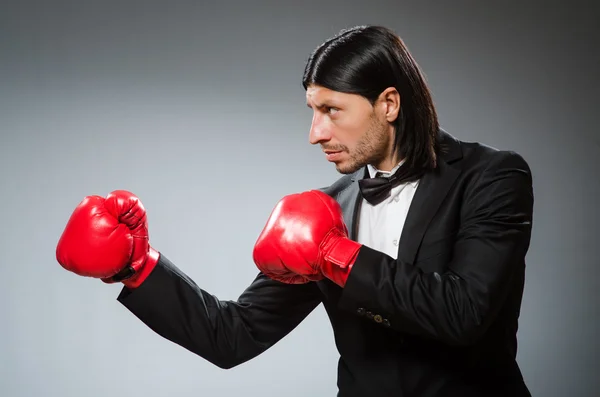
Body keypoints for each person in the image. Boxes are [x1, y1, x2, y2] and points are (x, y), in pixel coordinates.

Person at [55, 25, 534, 397]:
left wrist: (338, 256)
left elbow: (465, 313)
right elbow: (233, 336)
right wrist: (136, 268)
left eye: (332, 110)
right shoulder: (327, 209)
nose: (315, 133)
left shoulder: (491, 176)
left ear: (388, 104)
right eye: (311, 110)